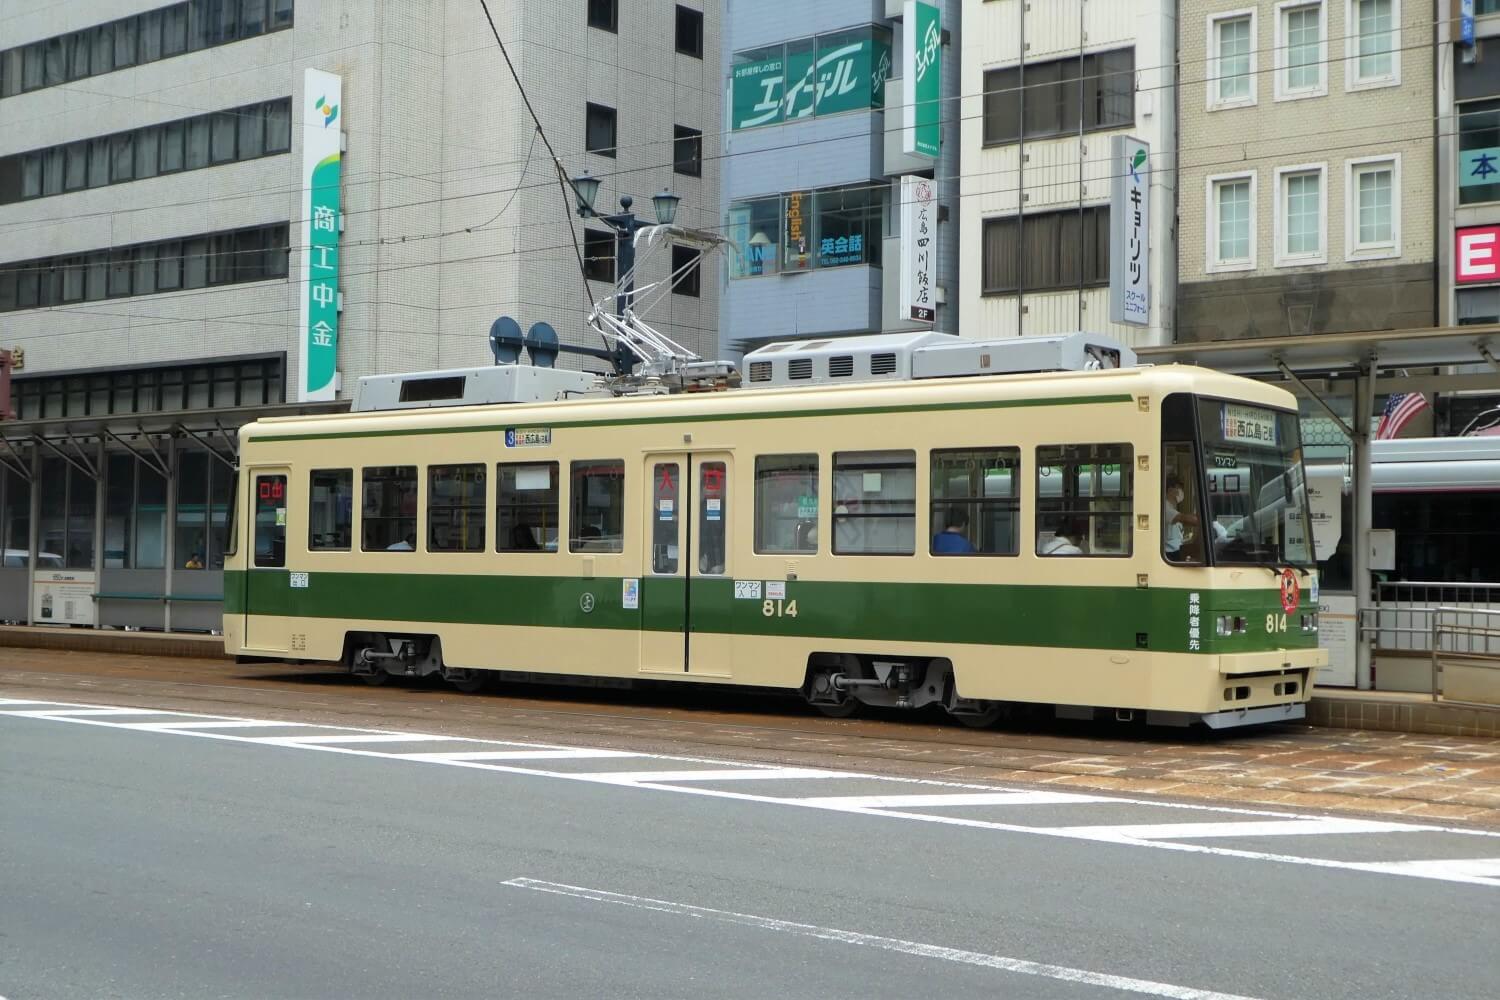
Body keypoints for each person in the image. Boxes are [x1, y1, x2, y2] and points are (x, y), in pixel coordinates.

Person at [1163, 475, 1200, 560]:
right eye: (1178, 488)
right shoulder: (1165, 507)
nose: (1181, 492)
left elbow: (1185, 522)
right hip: (1169, 554)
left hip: (1175, 550)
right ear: (1170, 490)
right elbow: (1185, 519)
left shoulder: (1172, 508)